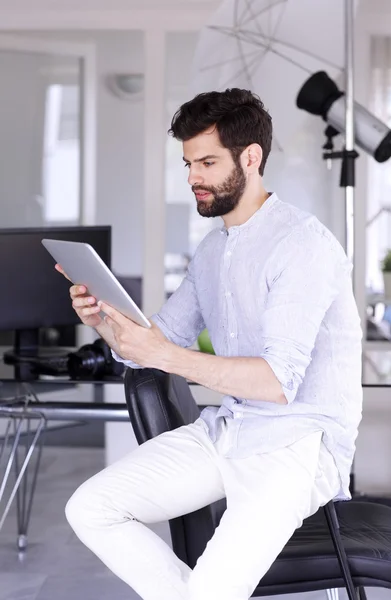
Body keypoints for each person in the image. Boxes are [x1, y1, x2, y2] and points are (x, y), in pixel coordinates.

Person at [59, 88, 363, 600]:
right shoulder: (212, 249)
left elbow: (276, 382)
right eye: (187, 163)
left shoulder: (303, 245)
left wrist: (164, 356)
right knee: (91, 508)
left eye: (206, 162)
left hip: (297, 444)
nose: (193, 177)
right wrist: (103, 322)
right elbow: (160, 339)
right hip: (231, 429)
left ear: (251, 157)